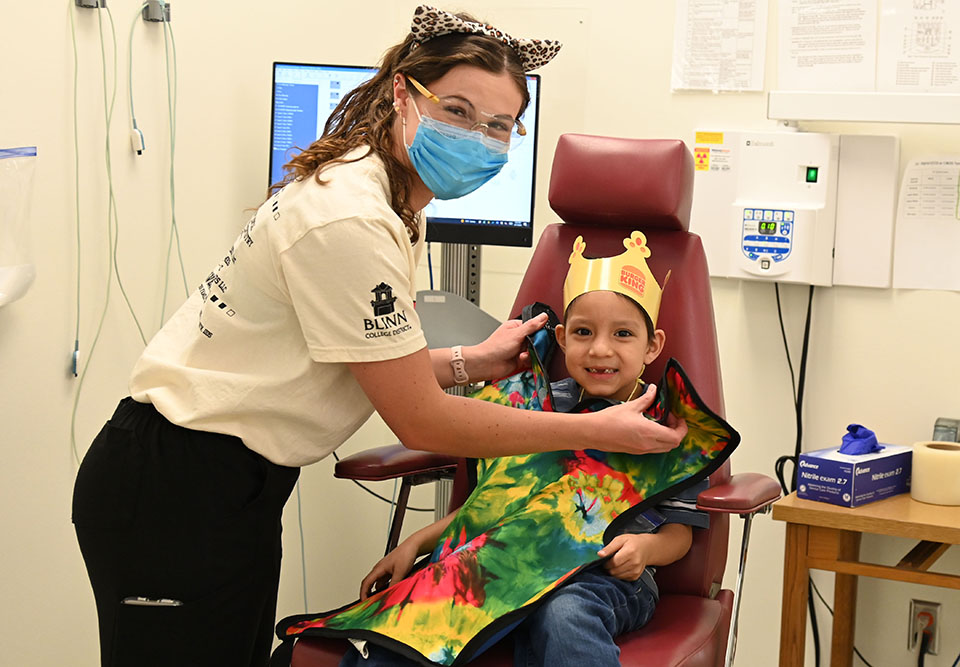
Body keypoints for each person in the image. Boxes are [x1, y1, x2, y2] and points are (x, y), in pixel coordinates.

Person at [71, 6, 687, 667]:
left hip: (230, 485)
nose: (478, 137)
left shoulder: (389, 200)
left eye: (499, 126)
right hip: (176, 486)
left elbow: (363, 350)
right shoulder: (350, 218)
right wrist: (596, 430)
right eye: (456, 110)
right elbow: (420, 418)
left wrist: (466, 359)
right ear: (402, 92)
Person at [340, 231, 708, 667]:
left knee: (564, 613)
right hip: (514, 561)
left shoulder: (666, 427)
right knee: (413, 617)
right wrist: (415, 545)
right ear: (562, 338)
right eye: (584, 332)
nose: (601, 348)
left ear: (653, 346)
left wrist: (644, 550)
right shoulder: (538, 408)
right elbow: (500, 507)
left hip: (601, 578)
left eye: (623, 334)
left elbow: (680, 534)